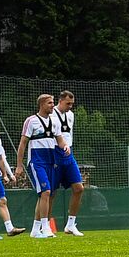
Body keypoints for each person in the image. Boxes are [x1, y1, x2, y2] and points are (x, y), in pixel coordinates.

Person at [15, 94, 60, 238]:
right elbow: (23, 143)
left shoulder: (55, 121)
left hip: (51, 161)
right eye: (50, 103)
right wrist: (19, 165)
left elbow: (59, 139)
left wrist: (65, 148)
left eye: (53, 103)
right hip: (37, 161)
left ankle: (35, 230)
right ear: (41, 104)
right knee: (45, 192)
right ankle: (46, 227)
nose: (53, 105)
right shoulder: (31, 121)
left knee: (46, 194)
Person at [49, 91, 86, 235]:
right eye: (67, 103)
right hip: (54, 153)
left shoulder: (71, 115)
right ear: (60, 101)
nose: (70, 106)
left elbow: (68, 134)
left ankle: (71, 224)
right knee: (51, 192)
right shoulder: (51, 115)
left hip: (68, 153)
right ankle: (44, 225)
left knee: (79, 188)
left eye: (72, 104)